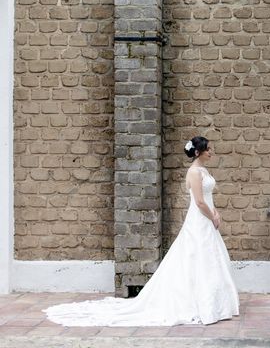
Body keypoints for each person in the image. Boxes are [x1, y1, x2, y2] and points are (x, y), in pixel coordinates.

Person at [45, 136, 239, 326]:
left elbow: (207, 198)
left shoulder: (203, 170)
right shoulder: (195, 173)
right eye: (208, 149)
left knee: (209, 258)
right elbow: (198, 201)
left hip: (206, 219)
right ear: (198, 152)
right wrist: (212, 215)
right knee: (196, 257)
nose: (211, 152)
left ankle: (216, 304)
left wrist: (216, 211)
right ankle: (198, 304)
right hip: (199, 220)